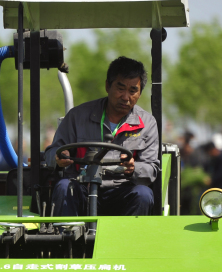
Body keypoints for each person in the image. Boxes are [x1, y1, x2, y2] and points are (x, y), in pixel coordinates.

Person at [45, 56, 157, 216]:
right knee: (64, 186)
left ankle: (130, 241)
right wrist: (58, 157)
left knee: (143, 194)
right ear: (107, 86)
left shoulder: (147, 123)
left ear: (139, 94)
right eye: (120, 88)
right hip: (83, 187)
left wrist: (134, 168)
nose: (126, 97)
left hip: (122, 191)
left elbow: (152, 168)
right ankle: (67, 238)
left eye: (133, 91)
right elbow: (51, 152)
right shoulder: (77, 116)